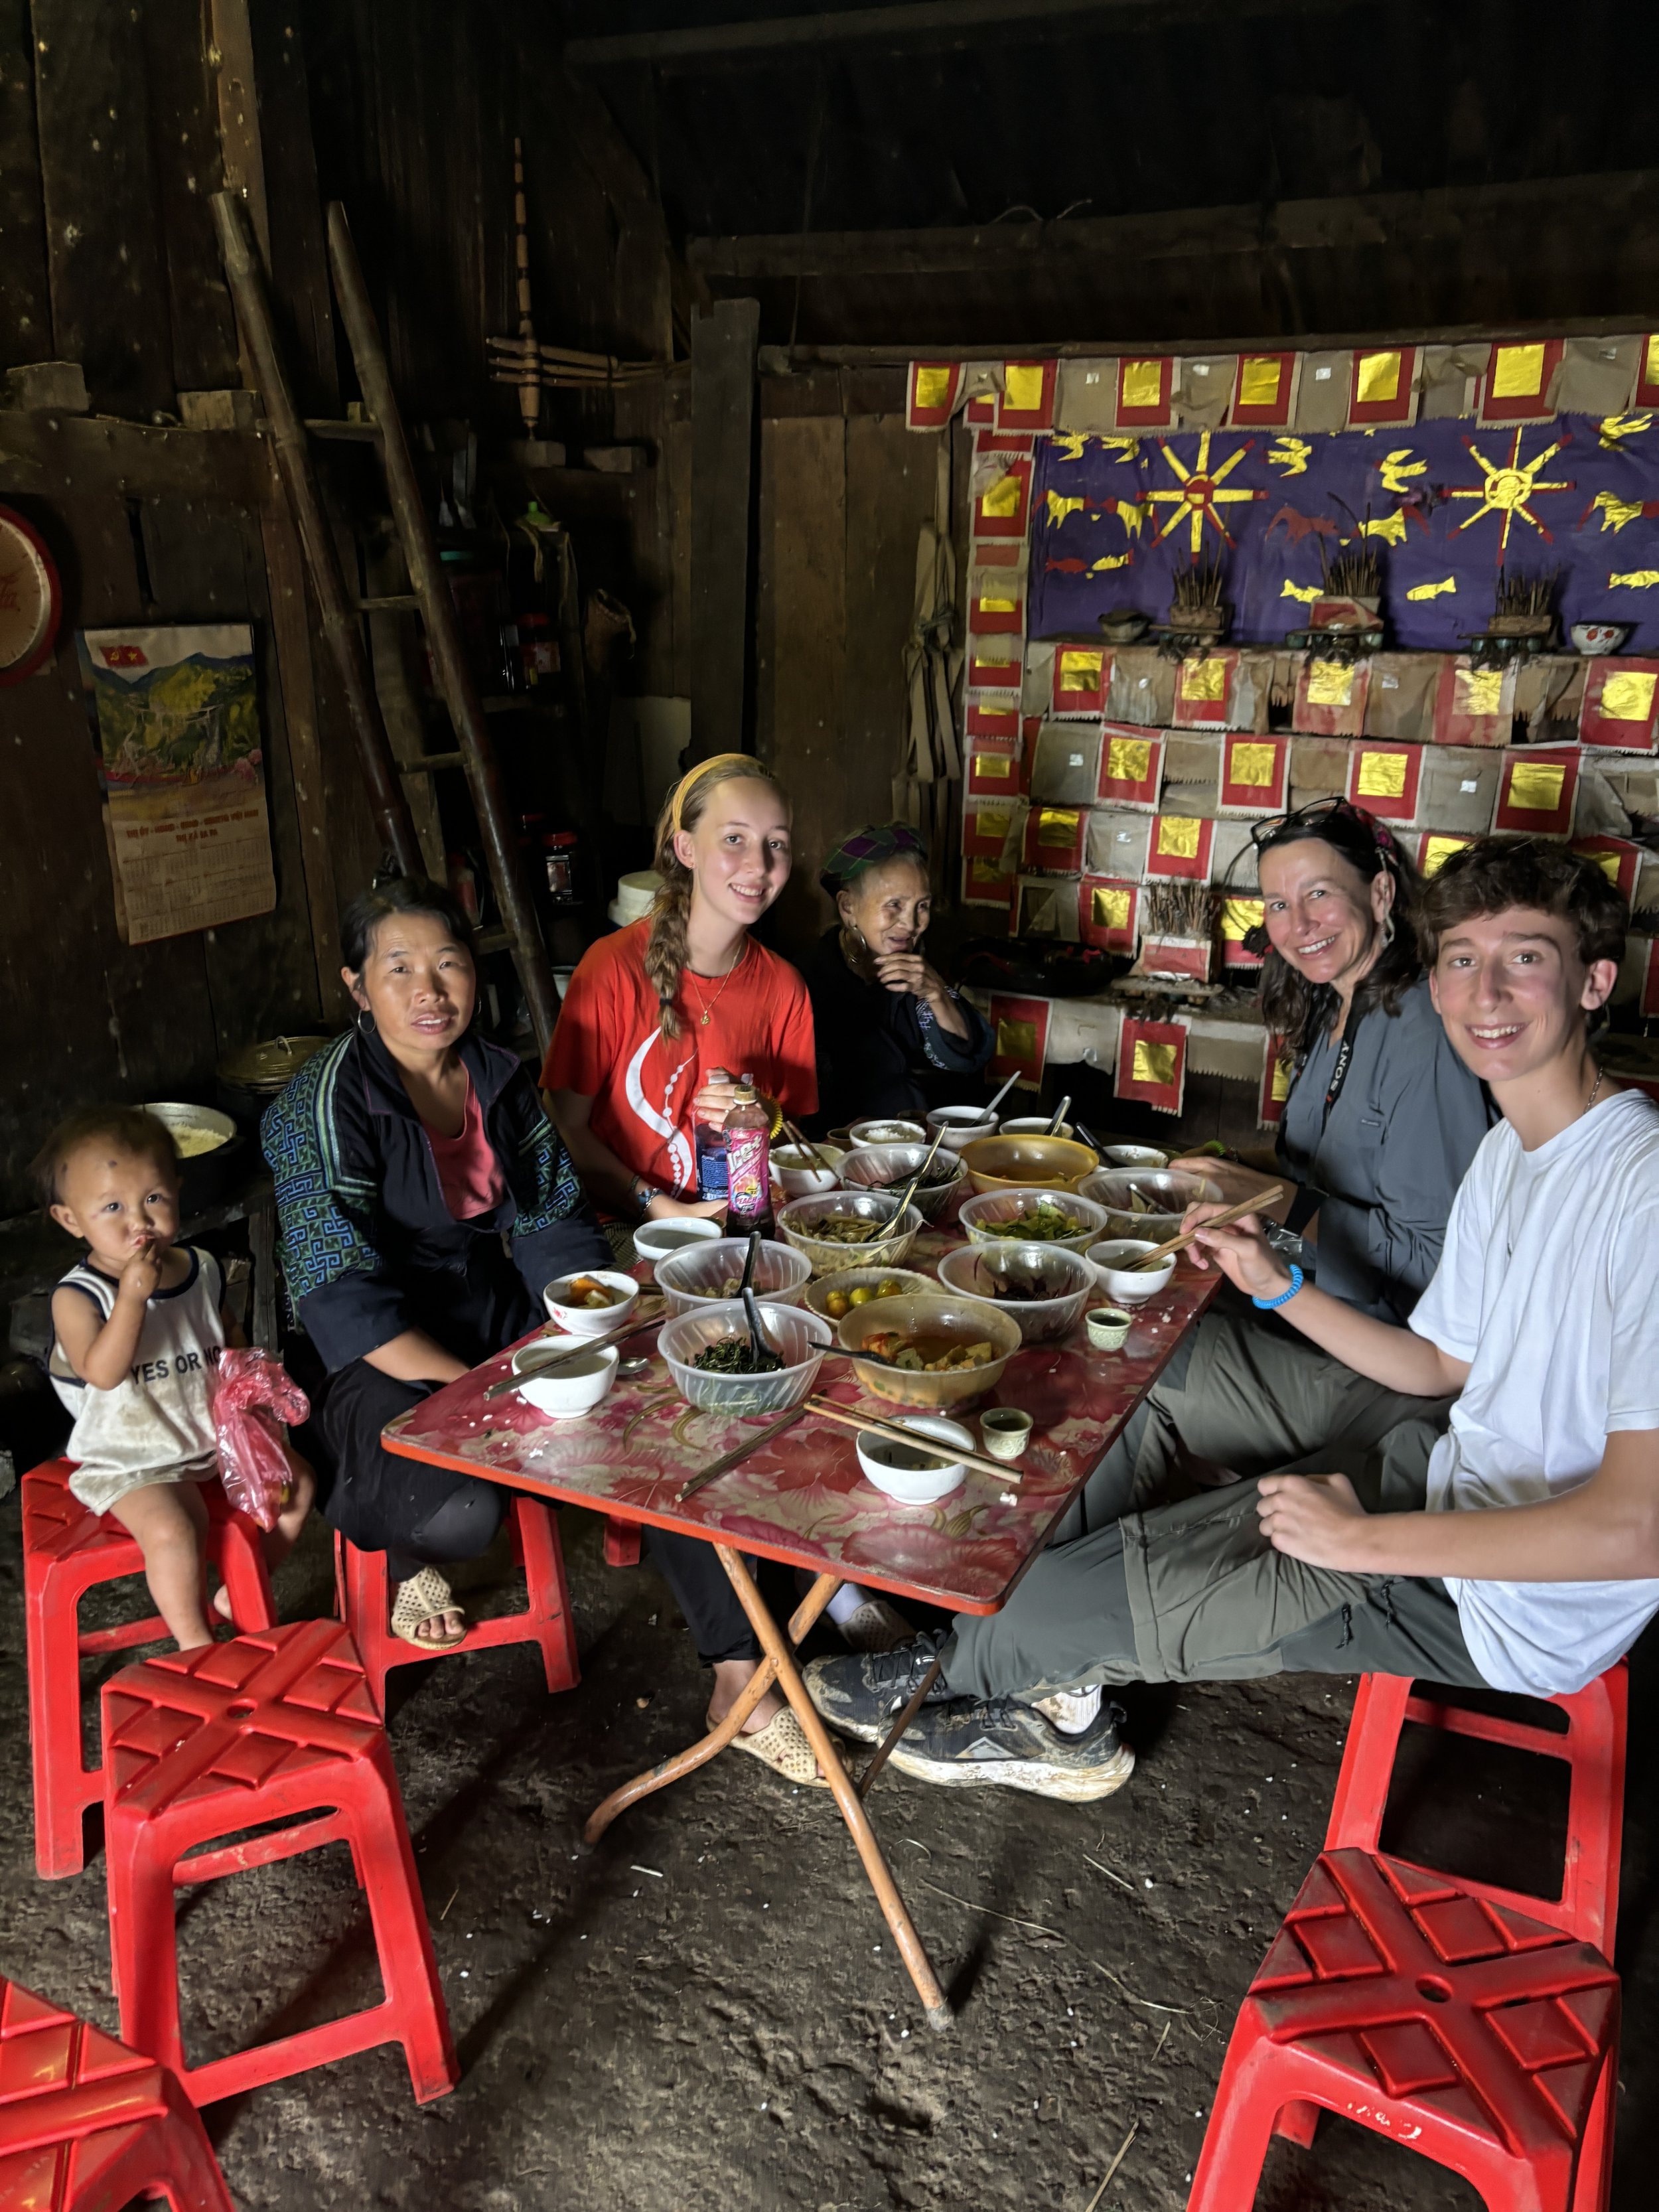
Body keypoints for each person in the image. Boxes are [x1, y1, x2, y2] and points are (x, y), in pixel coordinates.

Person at [804, 837, 1659, 1803]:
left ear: (1594, 982)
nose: (1484, 993)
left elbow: (1638, 1531)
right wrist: (1273, 1280)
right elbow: (1439, 1363)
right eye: (1463, 960)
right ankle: (1031, 1655)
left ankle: (994, 1663)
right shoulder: (1515, 1153)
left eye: (1525, 959)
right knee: (1163, 1357)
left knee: (1040, 1610)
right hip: (1448, 1447)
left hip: (1498, 1599)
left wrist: (1361, 1540)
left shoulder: (1642, 1188)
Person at [1058, 797, 1493, 1540]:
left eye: (1319, 895)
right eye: (1278, 905)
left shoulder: (1422, 1033)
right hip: (1305, 1308)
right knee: (1115, 1296)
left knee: (1134, 1353)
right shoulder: (1340, 1008)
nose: (1297, 925)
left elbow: (1431, 1268)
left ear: (1381, 893)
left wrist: (1279, 1202)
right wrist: (1215, 1172)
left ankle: (1063, 1587)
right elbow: (1314, 1169)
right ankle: (1085, 1555)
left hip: (1385, 1365)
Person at [263, 877, 613, 1653]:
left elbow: (553, 1217)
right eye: (398, 969)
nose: (430, 991)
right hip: (358, 1352)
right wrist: (482, 1388)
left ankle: (734, 1659)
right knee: (459, 1513)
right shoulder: (315, 1106)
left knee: (636, 1402)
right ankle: (399, 1557)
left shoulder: (495, 1075)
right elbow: (340, 1295)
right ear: (357, 986)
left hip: (477, 1303)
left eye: (448, 963)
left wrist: (591, 1322)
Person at [39, 1106, 314, 1650]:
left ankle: (238, 1593)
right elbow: (103, 1371)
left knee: (298, 1483)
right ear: (72, 1219)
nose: (138, 1221)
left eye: (154, 1199)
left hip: (206, 1437)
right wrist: (132, 1299)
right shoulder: (78, 1296)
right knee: (175, 1529)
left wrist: (248, 1377)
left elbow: (224, 1331)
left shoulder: (202, 1267)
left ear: (178, 1191)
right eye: (112, 1207)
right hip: (133, 1456)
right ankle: (197, 1644)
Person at [544, 753, 817, 1226]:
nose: (759, 864)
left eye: (777, 843)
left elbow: (794, 1143)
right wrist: (665, 1211)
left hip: (741, 1223)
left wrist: (761, 1114)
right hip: (623, 1227)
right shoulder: (610, 970)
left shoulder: (785, 988)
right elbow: (565, 1125)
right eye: (735, 838)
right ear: (686, 849)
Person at [805, 822, 992, 1133]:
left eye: (922, 906)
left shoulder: (921, 969)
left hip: (925, 1146)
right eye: (894, 905)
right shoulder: (807, 978)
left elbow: (967, 1058)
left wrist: (937, 994)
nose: (911, 923)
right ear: (848, 906)